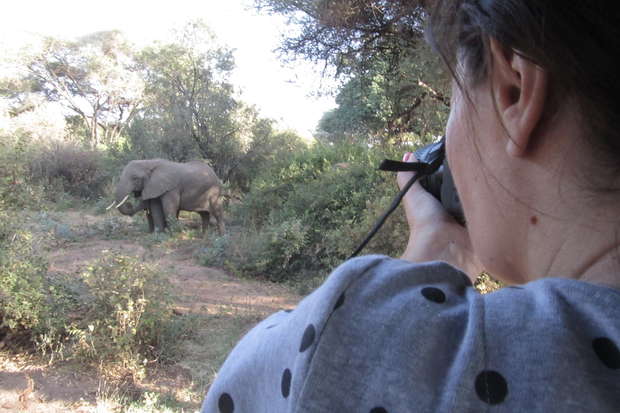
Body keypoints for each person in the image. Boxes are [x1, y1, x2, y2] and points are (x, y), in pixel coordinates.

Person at [201, 1, 620, 411]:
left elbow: (248, 378)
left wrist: (432, 258)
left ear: (514, 88)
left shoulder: (362, 335)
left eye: (455, 104)